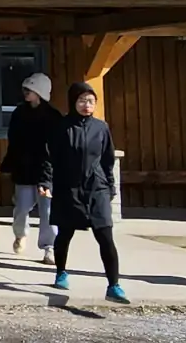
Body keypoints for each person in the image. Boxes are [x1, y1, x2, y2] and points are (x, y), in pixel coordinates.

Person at [46, 80, 128, 303]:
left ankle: (114, 285)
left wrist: (110, 185)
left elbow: (108, 158)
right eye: (82, 100)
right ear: (73, 102)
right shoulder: (62, 127)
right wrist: (47, 182)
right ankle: (61, 271)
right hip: (68, 189)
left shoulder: (101, 128)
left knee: (105, 237)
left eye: (91, 101)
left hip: (96, 188)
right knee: (65, 233)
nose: (86, 105)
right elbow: (49, 158)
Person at [6, 72, 63, 261]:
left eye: (29, 89)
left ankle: (49, 247)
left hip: (47, 171)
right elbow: (13, 141)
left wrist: (47, 176)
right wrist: (8, 163)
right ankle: (20, 234)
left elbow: (54, 149)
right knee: (21, 208)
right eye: (25, 89)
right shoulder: (19, 113)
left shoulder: (53, 117)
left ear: (39, 92)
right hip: (24, 170)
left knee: (48, 211)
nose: (25, 93)